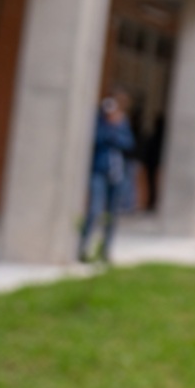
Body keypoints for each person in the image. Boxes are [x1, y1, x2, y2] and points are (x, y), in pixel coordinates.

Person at [78, 89, 135, 264]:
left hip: (117, 175)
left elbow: (129, 143)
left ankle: (105, 250)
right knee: (94, 211)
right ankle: (83, 248)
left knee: (112, 214)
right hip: (99, 172)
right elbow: (95, 139)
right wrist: (109, 126)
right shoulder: (100, 120)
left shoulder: (122, 122)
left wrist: (116, 128)